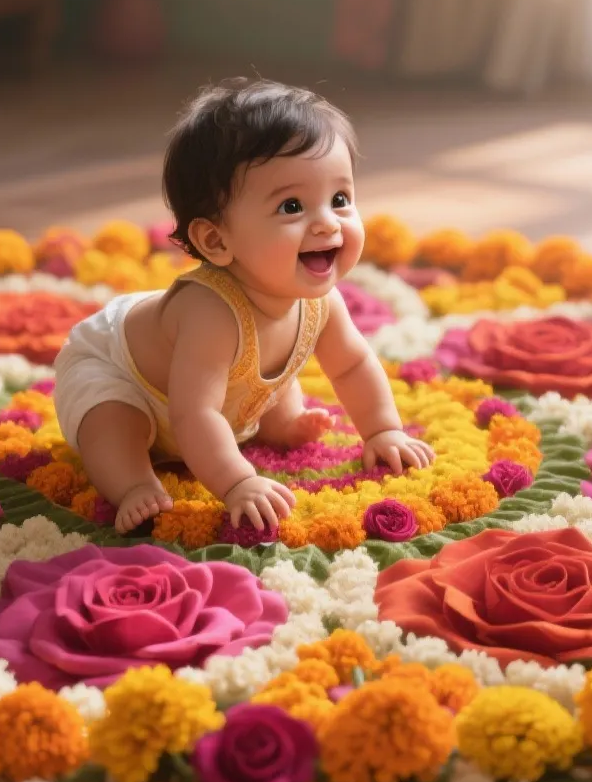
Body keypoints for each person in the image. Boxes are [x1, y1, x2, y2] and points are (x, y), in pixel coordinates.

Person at [53, 78, 436, 533]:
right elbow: (194, 414)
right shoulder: (209, 314)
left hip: (215, 396)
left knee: (268, 375)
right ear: (215, 240)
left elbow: (353, 366)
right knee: (113, 422)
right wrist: (237, 482)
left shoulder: (321, 302)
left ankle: (280, 421)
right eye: (292, 206)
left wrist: (382, 430)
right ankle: (133, 483)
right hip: (123, 373)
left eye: (339, 199)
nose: (327, 223)